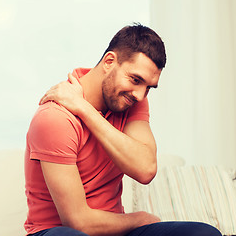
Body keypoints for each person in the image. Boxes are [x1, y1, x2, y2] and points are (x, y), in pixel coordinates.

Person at [24, 23, 222, 236]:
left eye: (148, 87)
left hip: (115, 231)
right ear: (109, 61)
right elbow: (77, 221)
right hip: (58, 232)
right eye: (135, 79)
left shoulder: (131, 100)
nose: (139, 94)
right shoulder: (55, 117)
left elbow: (145, 169)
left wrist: (84, 110)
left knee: (203, 233)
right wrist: (138, 219)